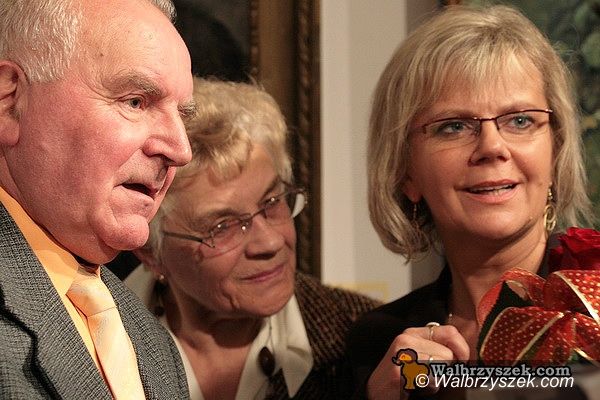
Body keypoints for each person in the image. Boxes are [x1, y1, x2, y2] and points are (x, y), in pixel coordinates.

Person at [345, 5, 596, 399]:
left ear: (555, 151)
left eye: (520, 120)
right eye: (454, 126)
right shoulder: (375, 345)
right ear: (406, 172)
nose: (492, 147)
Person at [126, 77, 380, 400]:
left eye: (272, 203)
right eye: (223, 226)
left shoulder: (365, 340)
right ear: (151, 252)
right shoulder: (93, 344)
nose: (270, 243)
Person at [0, 0, 196, 398]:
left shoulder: (153, 344)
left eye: (183, 115)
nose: (181, 150)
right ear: (10, 100)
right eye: (136, 102)